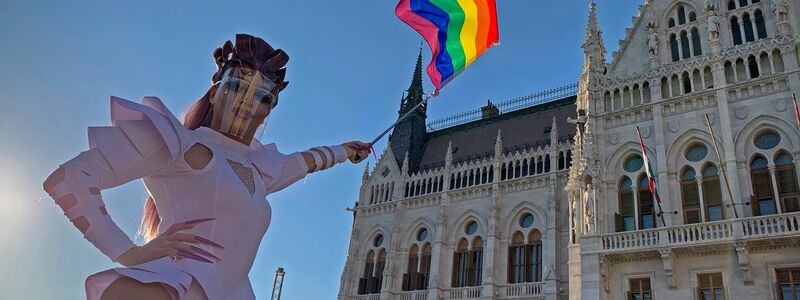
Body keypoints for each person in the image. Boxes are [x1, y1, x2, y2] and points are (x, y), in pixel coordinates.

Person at [42, 34, 371, 300]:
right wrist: (126, 252)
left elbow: (310, 161)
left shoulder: (260, 170)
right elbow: (70, 178)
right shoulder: (177, 143)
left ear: (269, 109)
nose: (247, 104)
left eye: (263, 98)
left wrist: (346, 150)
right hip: (173, 288)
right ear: (215, 92)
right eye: (237, 87)